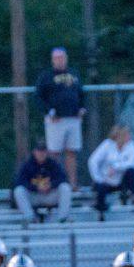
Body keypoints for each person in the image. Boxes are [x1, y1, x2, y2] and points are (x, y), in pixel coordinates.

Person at [35, 47, 85, 186]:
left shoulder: (74, 74)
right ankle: (56, 182)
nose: (60, 60)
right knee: (54, 153)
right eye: (57, 58)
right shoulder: (46, 76)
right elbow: (39, 96)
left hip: (73, 118)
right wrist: (49, 112)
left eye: (62, 57)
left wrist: (82, 109)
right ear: (52, 60)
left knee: (72, 152)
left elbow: (81, 93)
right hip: (56, 120)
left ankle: (72, 184)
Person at [13, 141, 72, 223]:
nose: (41, 154)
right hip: (34, 195)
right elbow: (19, 181)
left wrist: (51, 185)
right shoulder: (27, 164)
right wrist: (36, 188)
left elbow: (63, 178)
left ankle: (62, 218)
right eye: (39, 151)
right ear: (34, 152)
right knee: (18, 191)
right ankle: (30, 218)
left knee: (65, 188)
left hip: (49, 195)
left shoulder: (53, 164)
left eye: (43, 151)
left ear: (47, 152)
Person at [88, 123, 134, 217]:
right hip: (106, 180)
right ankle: (101, 211)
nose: (129, 136)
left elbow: (132, 163)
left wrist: (116, 167)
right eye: (127, 134)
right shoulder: (107, 144)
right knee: (101, 187)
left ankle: (133, 197)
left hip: (121, 181)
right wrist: (98, 178)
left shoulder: (131, 145)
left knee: (132, 172)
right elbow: (93, 161)